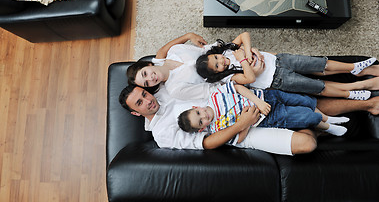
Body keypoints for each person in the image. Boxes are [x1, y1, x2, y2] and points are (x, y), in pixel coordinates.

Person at [119, 84, 379, 155]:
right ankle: (314, 126)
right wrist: (241, 126)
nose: (148, 100)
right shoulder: (162, 133)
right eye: (140, 103)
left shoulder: (164, 92)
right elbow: (206, 144)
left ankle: (368, 104)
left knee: (304, 100)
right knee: (307, 145)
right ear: (135, 112)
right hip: (238, 131)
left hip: (240, 100)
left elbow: (162, 62)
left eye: (144, 94)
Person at [195, 32, 379, 100]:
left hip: (280, 60)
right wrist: (243, 60)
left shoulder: (228, 51)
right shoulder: (229, 77)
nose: (222, 62)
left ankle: (352, 67)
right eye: (218, 66)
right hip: (278, 79)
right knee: (316, 86)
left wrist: (250, 51)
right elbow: (250, 78)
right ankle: (349, 93)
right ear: (217, 74)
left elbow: (244, 35)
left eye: (217, 58)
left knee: (319, 64)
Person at [177, 82, 349, 147]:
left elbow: (238, 88)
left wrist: (258, 101)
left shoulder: (215, 96)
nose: (204, 116)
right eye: (200, 121)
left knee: (306, 101)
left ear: (196, 106)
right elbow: (238, 139)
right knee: (305, 116)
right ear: (202, 129)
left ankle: (329, 118)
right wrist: (246, 123)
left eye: (198, 112)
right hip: (269, 117)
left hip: (266, 97)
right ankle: (329, 127)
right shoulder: (216, 128)